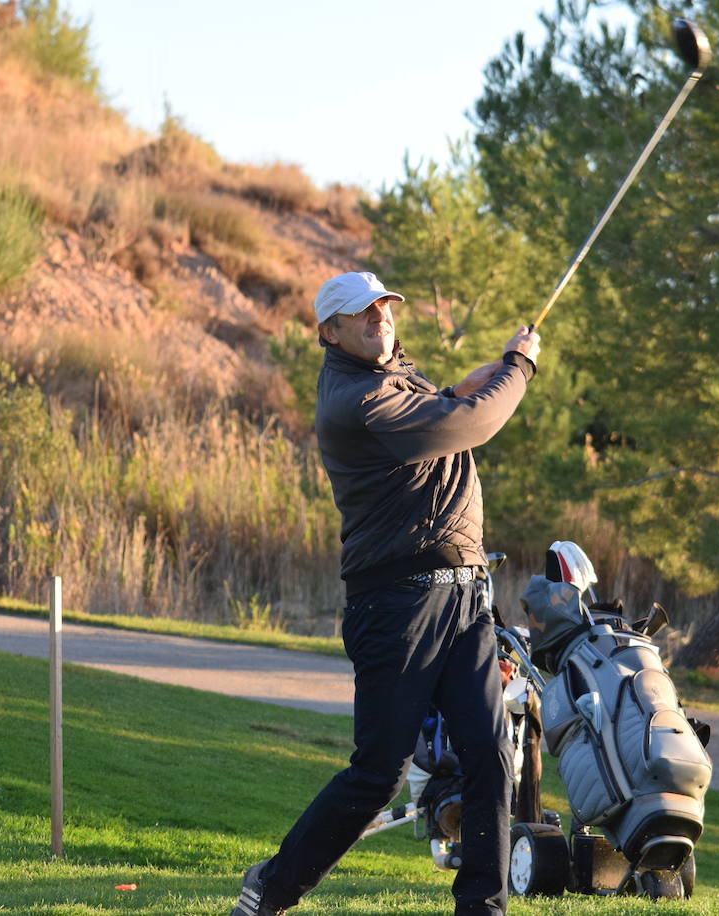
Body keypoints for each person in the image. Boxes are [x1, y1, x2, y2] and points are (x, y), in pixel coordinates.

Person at [231, 271, 540, 916]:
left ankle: (482, 905)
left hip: (464, 598)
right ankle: (273, 887)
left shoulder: (398, 378)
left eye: (384, 307)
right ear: (330, 331)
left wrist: (460, 385)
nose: (379, 318)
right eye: (362, 313)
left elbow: (449, 407)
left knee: (488, 754)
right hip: (398, 607)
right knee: (378, 773)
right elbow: (472, 424)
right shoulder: (355, 401)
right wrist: (517, 368)